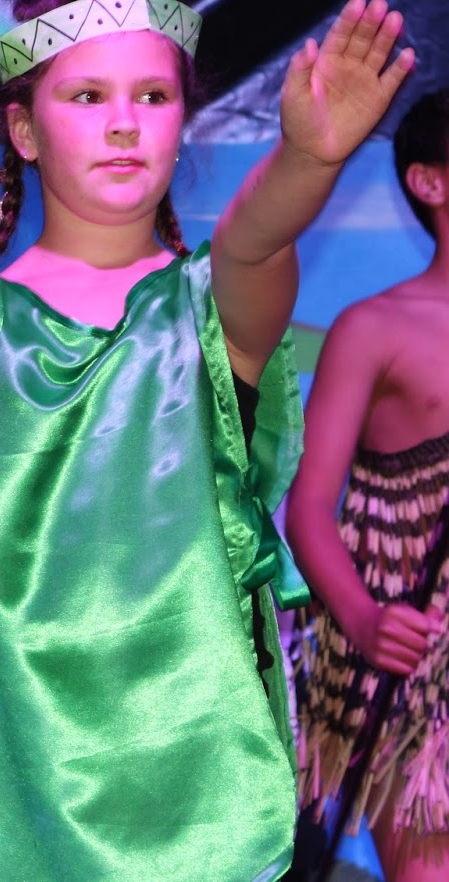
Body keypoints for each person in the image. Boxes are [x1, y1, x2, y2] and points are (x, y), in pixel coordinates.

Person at [0, 0, 414, 880]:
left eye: (153, 97)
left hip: (203, 794)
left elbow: (254, 240)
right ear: (24, 131)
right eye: (86, 97)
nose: (124, 123)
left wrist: (308, 159)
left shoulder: (212, 310)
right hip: (18, 787)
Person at [288, 88, 449, 881]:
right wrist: (364, 618)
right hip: (420, 673)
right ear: (431, 182)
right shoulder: (376, 327)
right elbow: (309, 508)